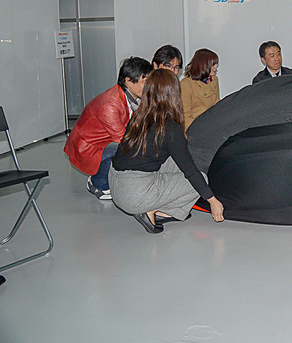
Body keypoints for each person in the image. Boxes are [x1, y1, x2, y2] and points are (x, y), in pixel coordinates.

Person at [109, 69, 224, 233]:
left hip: (115, 184)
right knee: (200, 179)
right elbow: (190, 171)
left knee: (175, 162)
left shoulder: (138, 116)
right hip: (134, 194)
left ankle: (157, 208)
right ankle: (153, 211)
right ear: (173, 93)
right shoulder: (169, 128)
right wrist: (212, 200)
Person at [63, 57, 152, 200]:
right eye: (145, 81)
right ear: (128, 81)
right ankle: (98, 183)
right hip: (87, 146)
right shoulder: (110, 104)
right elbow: (122, 139)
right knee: (125, 148)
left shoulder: (129, 96)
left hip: (102, 140)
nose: (149, 85)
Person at [180, 48, 220, 129]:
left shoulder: (214, 80)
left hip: (212, 125)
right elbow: (185, 116)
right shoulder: (186, 84)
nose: (216, 67)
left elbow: (217, 105)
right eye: (213, 64)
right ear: (203, 65)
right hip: (195, 128)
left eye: (216, 64)